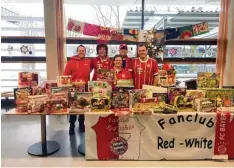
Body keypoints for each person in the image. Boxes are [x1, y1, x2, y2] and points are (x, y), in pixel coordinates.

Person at [64, 45, 91, 135]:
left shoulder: (88, 61)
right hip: (73, 89)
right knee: (73, 108)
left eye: (83, 50)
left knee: (83, 106)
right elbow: (66, 77)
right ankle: (71, 126)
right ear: (77, 51)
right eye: (79, 50)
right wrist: (73, 83)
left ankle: (81, 124)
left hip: (85, 89)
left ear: (85, 52)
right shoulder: (70, 62)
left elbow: (89, 72)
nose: (81, 52)